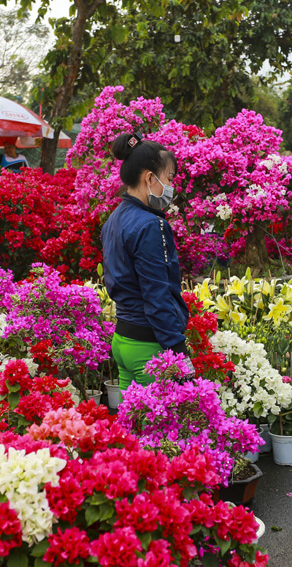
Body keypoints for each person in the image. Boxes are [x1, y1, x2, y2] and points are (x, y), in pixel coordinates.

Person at [101, 132, 191, 390]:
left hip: (123, 341)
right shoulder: (152, 225)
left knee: (133, 426)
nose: (171, 187)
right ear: (150, 178)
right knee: (170, 427)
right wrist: (178, 351)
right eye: (169, 179)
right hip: (149, 349)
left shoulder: (113, 220)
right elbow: (156, 294)